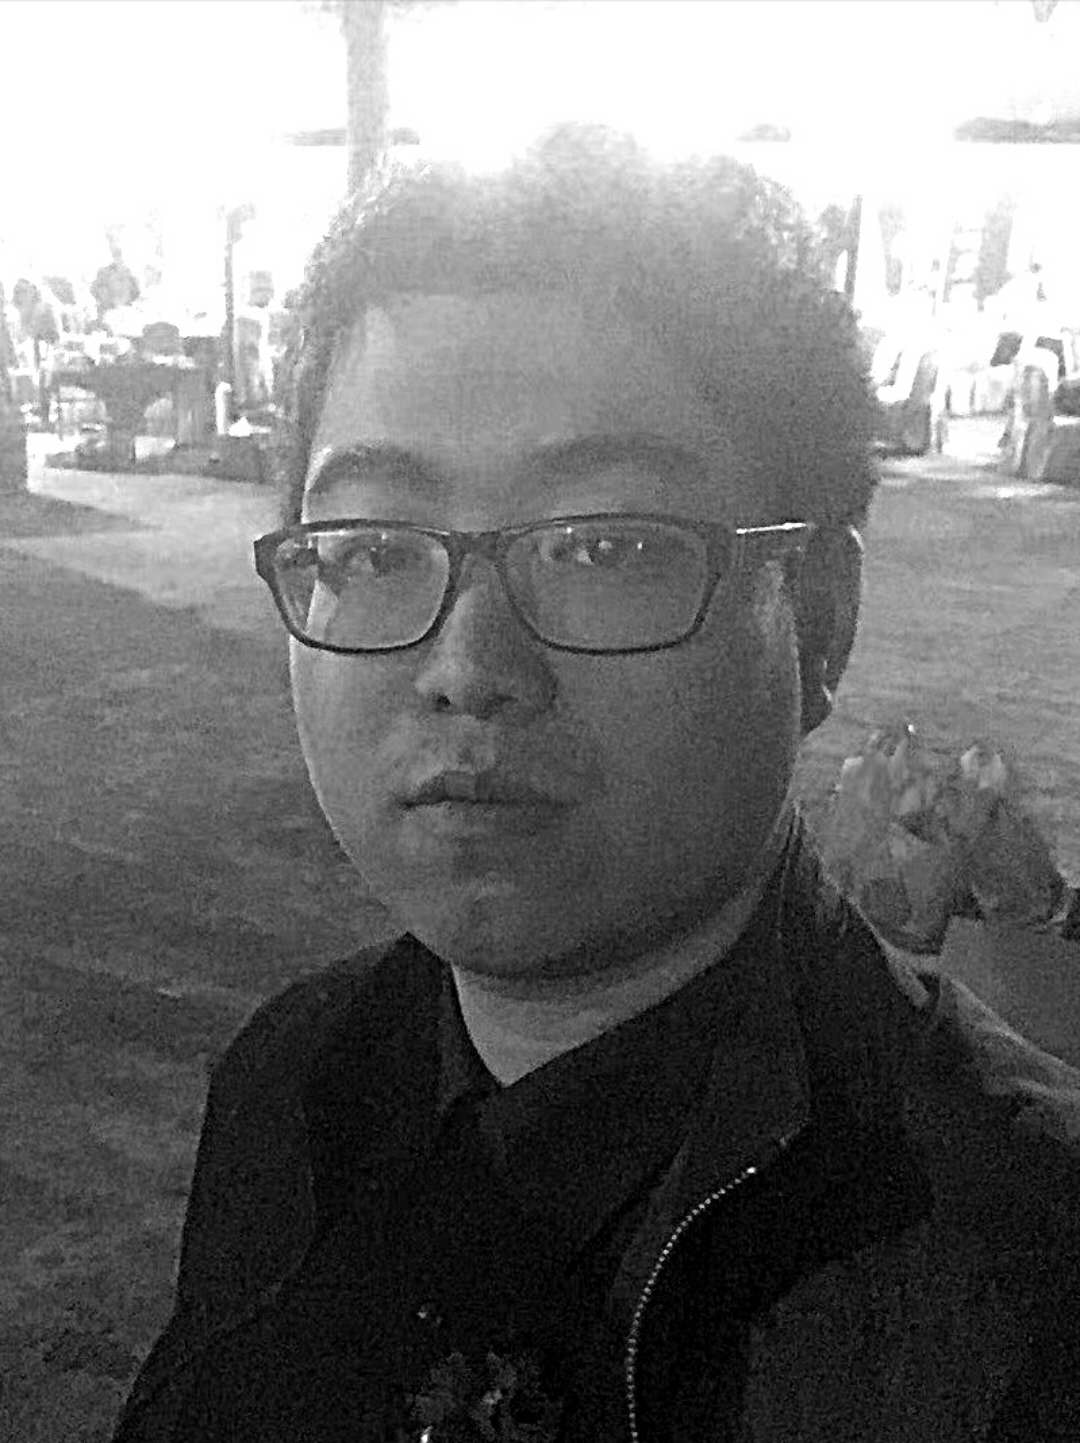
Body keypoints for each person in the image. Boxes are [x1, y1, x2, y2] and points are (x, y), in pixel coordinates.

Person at [112, 127, 1080, 1443]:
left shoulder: (1021, 1270)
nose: (469, 668)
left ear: (820, 620)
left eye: (605, 546)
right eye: (376, 549)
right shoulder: (294, 1078)